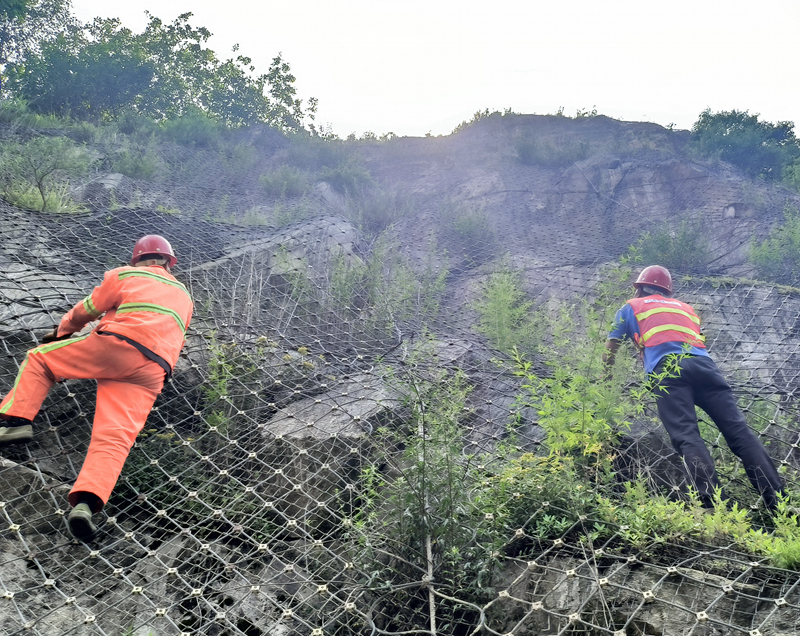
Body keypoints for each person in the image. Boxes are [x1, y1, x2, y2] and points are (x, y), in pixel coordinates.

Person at [0, 235, 194, 540]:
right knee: (115, 439)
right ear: (170, 262)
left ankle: (16, 423)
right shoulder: (184, 295)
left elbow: (86, 310)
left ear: (137, 259)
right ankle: (86, 505)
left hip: (119, 344)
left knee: (40, 359)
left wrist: (61, 332)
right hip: (154, 371)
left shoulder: (125, 275)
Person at [603, 264, 784, 510]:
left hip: (668, 370)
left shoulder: (631, 307)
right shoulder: (686, 308)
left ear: (640, 288)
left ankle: (711, 504)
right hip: (706, 369)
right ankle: (779, 501)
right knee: (740, 433)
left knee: (687, 435)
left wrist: (606, 378)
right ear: (667, 290)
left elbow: (611, 347)